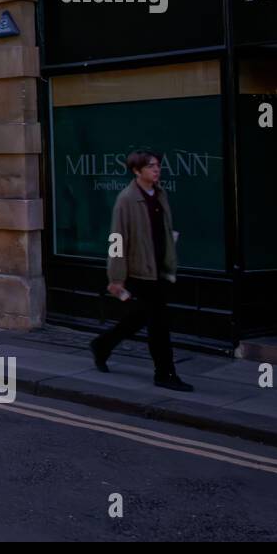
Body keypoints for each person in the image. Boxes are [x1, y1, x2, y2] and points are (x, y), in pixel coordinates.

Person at [90, 149, 193, 392]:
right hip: (139, 272)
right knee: (159, 324)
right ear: (137, 171)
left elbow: (165, 231)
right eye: (150, 166)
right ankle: (164, 373)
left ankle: (102, 345)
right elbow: (117, 239)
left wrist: (170, 263)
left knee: (140, 317)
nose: (156, 170)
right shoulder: (126, 200)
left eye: (157, 165)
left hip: (158, 269)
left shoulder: (160, 194)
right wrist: (115, 278)